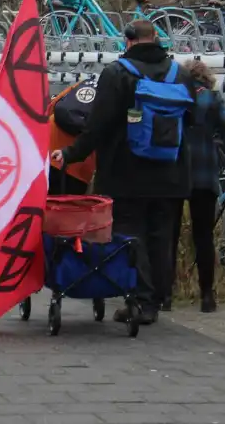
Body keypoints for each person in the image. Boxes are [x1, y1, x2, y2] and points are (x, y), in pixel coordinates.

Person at [52, 20, 195, 325]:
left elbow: (97, 128)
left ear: (128, 42)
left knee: (131, 236)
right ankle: (158, 300)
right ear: (155, 39)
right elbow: (193, 123)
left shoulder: (117, 74)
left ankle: (140, 302)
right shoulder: (179, 74)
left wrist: (68, 154)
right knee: (161, 237)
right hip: (171, 175)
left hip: (126, 174)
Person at [166, 60, 225, 313]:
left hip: (175, 171)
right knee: (203, 237)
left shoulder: (173, 96)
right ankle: (207, 296)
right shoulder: (211, 99)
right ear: (207, 78)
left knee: (169, 235)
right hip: (204, 172)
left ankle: (165, 295)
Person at [48, 76, 98, 195]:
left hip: (49, 152)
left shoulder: (86, 83)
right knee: (69, 209)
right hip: (78, 166)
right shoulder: (119, 98)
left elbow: (52, 106)